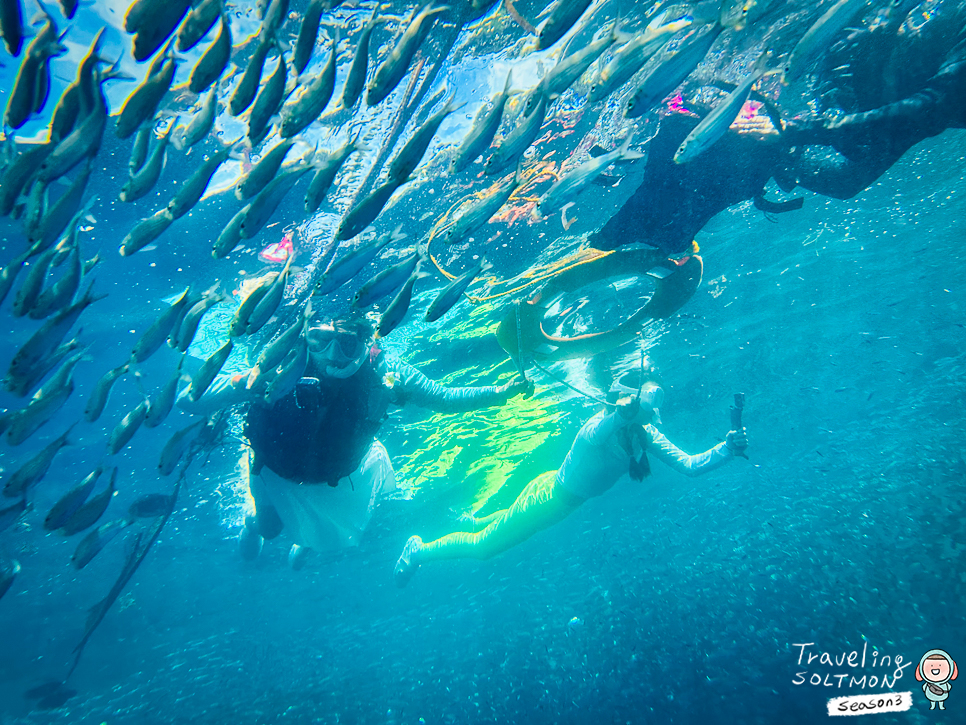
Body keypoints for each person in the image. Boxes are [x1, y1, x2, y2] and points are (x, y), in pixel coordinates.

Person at [591, 0, 966, 256]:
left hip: (854, 99)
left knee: (745, 165)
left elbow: (855, 173)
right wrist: (798, 133)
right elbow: (927, 107)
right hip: (846, 63)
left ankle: (649, 228)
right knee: (699, 160)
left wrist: (789, 150)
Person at [181, 313, 528, 565]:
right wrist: (244, 383)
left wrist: (502, 392)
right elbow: (188, 401)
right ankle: (251, 521)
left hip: (344, 474)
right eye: (319, 341)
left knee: (338, 526)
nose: (332, 356)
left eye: (347, 345)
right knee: (268, 529)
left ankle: (308, 538)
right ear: (306, 338)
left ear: (367, 342)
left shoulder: (387, 371)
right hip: (274, 469)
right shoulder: (281, 365)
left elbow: (443, 397)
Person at [393, 369, 748, 586]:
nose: (646, 419)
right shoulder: (598, 426)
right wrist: (624, 412)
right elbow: (607, 425)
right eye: (640, 410)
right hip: (550, 498)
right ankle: (419, 551)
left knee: (500, 528)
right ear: (624, 405)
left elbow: (689, 465)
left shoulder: (645, 434)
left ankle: (474, 519)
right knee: (484, 547)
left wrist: (726, 449)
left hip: (554, 496)